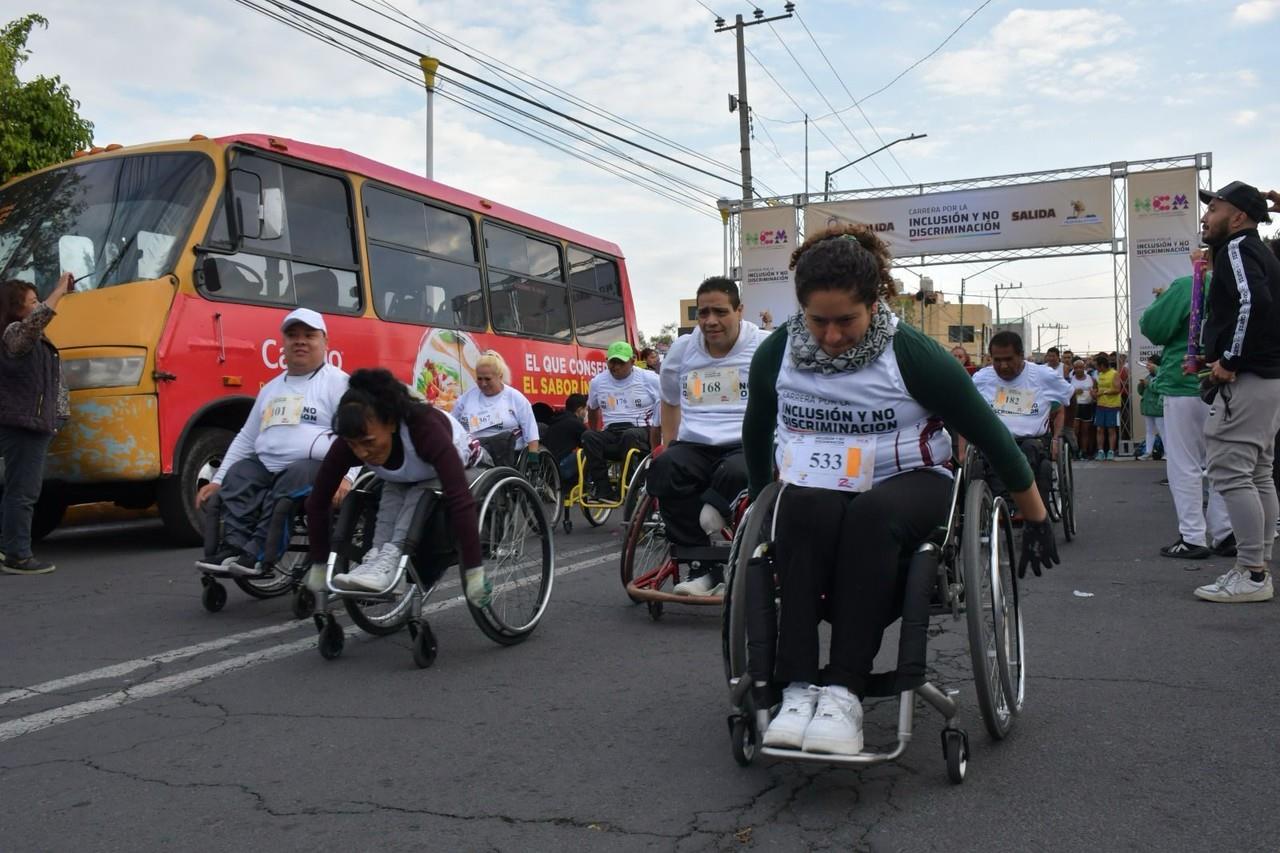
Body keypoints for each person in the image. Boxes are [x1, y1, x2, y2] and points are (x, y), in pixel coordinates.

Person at [743, 224, 1057, 756]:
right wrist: (757, 507)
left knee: (872, 515)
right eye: (818, 321)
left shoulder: (911, 354)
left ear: (875, 302)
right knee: (798, 507)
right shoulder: (777, 353)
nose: (832, 335)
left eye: (846, 320)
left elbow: (990, 434)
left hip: (910, 483)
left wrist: (1037, 516)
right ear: (800, 310)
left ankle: (843, 691)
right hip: (820, 482)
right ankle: (796, 689)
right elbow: (756, 432)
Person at [195, 308, 355, 576]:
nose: (300, 341)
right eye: (292, 335)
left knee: (290, 480)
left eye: (309, 335)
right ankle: (232, 548)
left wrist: (347, 477)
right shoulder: (271, 388)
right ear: (284, 343)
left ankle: (258, 555)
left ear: (325, 342)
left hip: (316, 468)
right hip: (267, 466)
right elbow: (246, 437)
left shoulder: (339, 383)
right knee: (239, 475)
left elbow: (357, 434)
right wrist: (218, 479)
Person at [303, 368, 489, 598]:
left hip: (461, 463)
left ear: (391, 423)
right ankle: (378, 558)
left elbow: (461, 499)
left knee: (417, 494)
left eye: (368, 442)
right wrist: (320, 566)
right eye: (353, 445)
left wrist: (473, 571)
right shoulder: (350, 443)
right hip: (404, 476)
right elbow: (317, 503)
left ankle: (393, 561)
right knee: (389, 496)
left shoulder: (424, 428)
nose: (362, 452)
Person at [649, 276, 768, 597]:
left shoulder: (764, 346)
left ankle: (715, 510)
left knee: (736, 472)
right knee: (664, 466)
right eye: (703, 313)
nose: (710, 321)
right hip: (696, 444)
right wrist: (669, 443)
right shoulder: (683, 350)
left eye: (720, 312)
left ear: (740, 310)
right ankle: (704, 566)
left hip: (746, 443)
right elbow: (670, 398)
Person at [1193, 181, 1280, 602]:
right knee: (1258, 472)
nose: (1206, 216)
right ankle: (1257, 567)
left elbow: (1252, 304)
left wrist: (1228, 360)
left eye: (1215, 208)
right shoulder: (1257, 250)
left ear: (1239, 216)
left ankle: (1252, 573)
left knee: (1230, 470)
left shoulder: (1236, 249)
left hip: (1249, 378)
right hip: (1266, 378)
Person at [1139, 258, 1233, 559]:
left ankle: (1193, 537)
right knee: (1224, 463)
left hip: (1185, 381)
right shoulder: (1242, 287)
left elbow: (1153, 327)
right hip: (1229, 383)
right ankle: (1225, 533)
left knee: (1184, 463)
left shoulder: (1190, 284)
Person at [0, 273, 72, 574]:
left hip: (35, 423)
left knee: (21, 489)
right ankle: (17, 554)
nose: (39, 305)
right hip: (23, 424)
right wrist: (58, 291)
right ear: (16, 310)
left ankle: (11, 549)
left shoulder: (26, 335)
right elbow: (38, 320)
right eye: (32, 302)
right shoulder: (15, 332)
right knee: (23, 491)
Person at [971, 331, 1073, 507]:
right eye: (997, 360)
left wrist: (1064, 432)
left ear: (1021, 356)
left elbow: (1070, 396)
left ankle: (1022, 505)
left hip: (1033, 441)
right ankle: (1003, 504)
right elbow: (967, 409)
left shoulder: (1043, 376)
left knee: (1028, 449)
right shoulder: (982, 378)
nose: (1003, 366)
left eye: (1009, 359)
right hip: (997, 440)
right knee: (993, 453)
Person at [582, 341, 661, 501]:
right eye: (612, 362)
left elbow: (667, 404)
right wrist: (594, 430)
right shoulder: (598, 382)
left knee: (629, 435)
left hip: (641, 430)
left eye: (621, 362)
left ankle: (625, 486)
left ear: (632, 361)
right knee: (589, 437)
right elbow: (592, 409)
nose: (615, 367)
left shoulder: (649, 379)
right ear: (607, 361)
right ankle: (603, 488)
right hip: (611, 431)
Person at [450, 350, 540, 468]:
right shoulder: (467, 398)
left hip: (505, 452)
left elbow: (530, 427)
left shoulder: (514, 397)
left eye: (487, 379)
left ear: (500, 376)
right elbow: (451, 422)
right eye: (479, 379)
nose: (483, 383)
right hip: (474, 450)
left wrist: (533, 456)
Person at [540, 393, 589, 483]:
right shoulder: (576, 424)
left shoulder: (557, 419)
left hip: (547, 469)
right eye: (586, 409)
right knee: (590, 450)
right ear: (580, 410)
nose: (586, 413)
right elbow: (589, 441)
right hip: (560, 469)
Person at [1092, 353, 1122, 460]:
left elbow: (1117, 389)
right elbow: (1096, 388)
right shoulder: (1099, 375)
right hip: (1100, 405)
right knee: (1099, 429)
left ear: (1102, 365)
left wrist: (1103, 392)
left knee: (1111, 429)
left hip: (1112, 406)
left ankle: (1111, 451)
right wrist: (1094, 393)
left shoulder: (1114, 373)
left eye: (1097, 366)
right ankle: (1100, 451)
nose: (1096, 368)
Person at [1136, 354, 1165, 460]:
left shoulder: (1161, 376)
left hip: (1158, 408)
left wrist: (1148, 384)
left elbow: (1160, 389)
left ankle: (1167, 453)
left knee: (1163, 431)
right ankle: (1148, 452)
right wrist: (1141, 386)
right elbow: (1141, 392)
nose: (1147, 366)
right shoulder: (1148, 376)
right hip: (1148, 408)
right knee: (1149, 431)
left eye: (1150, 364)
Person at [1068, 359, 1098, 461]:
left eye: (1080, 367)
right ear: (1074, 369)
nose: (1078, 369)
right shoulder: (1071, 379)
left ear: (1084, 368)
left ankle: (1084, 451)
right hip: (1075, 406)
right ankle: (1075, 451)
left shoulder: (1091, 379)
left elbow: (1095, 392)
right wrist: (1074, 391)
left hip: (1087, 406)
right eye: (1076, 368)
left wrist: (1094, 395)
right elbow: (1066, 393)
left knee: (1085, 431)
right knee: (1075, 430)